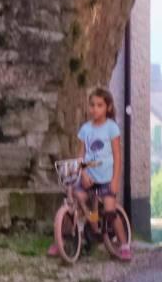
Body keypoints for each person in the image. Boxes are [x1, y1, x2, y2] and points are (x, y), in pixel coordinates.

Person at [50, 86, 130, 261]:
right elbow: (81, 154)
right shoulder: (86, 129)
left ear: (108, 107)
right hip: (89, 177)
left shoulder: (111, 128)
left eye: (99, 105)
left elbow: (117, 156)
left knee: (110, 211)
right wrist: (83, 173)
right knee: (75, 200)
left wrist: (115, 180)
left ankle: (124, 244)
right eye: (92, 105)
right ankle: (61, 240)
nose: (95, 109)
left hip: (106, 178)